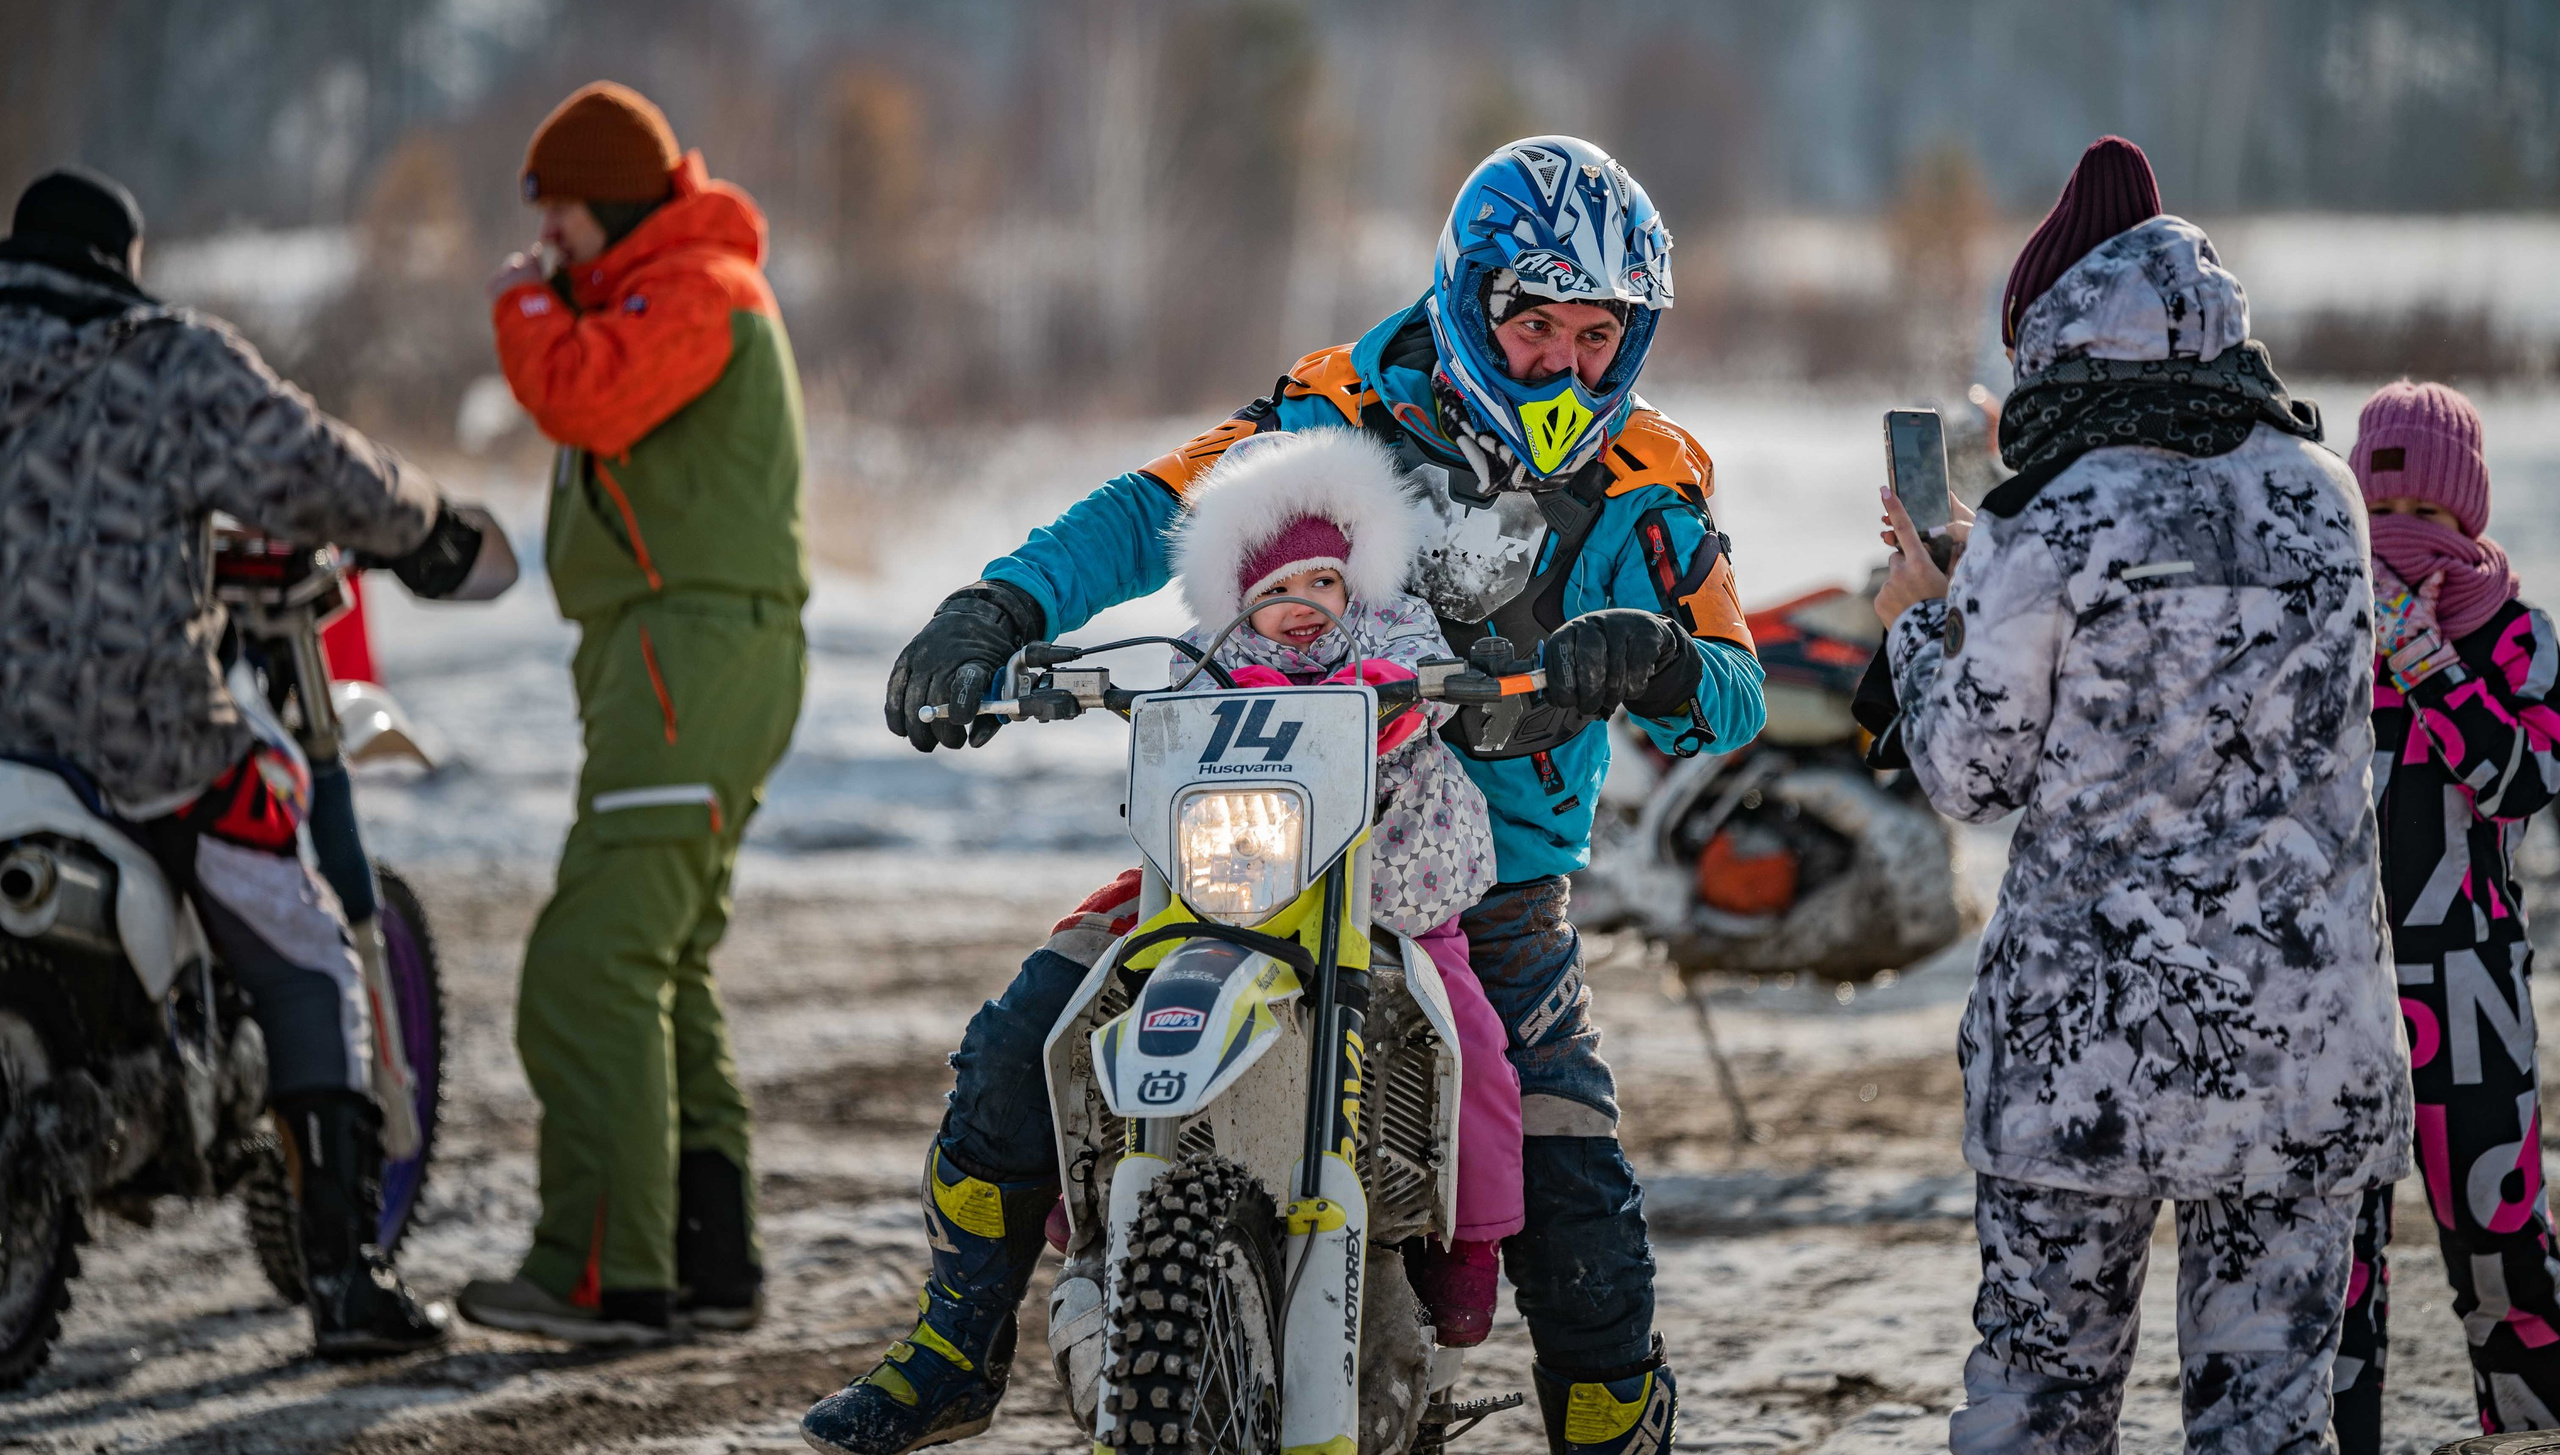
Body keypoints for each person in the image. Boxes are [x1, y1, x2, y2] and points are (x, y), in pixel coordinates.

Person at [801, 136, 1765, 1455]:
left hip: (1486, 879)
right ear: (1474, 299)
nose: (1566, 361)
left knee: (1571, 1175)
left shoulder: (1654, 477)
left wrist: (1652, 655)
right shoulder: (1338, 403)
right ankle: (955, 1342)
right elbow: (1159, 505)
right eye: (1537, 323)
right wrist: (996, 607)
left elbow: (1736, 689)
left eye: (1599, 333)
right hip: (1258, 825)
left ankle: (1609, 1420)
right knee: (1028, 1036)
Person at [1876, 135, 2412, 1454]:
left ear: (2052, 339)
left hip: (2085, 1059)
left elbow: (1969, 767)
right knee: (2270, 1424)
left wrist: (1921, 622)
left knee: (2044, 1408)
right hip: (2300, 1039)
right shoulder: (2323, 493)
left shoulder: (2048, 516)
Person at [0, 166, 481, 1356]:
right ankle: (341, 1276)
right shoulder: (164, 357)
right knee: (304, 939)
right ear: (124, 259)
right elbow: (319, 470)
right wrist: (428, 522)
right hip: (133, 729)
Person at [456, 83, 809, 1343]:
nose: (544, 237)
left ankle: (602, 1272)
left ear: (605, 197)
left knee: (590, 961)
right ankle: (710, 1263)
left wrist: (521, 302)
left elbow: (582, 395)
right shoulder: (677, 287)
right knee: (664, 960)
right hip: (677, 655)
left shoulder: (698, 287)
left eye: (555, 210)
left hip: (690, 655)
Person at [1166, 425, 1523, 1337]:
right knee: (1118, 992)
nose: (1303, 605)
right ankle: (1105, 1207)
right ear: (1237, 595)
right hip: (1247, 895)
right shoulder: (1211, 655)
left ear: (1353, 578)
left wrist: (1399, 687)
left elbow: (1431, 675)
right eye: (1274, 589)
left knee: (1472, 1044)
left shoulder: (1389, 625)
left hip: (1396, 888)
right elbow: (1177, 710)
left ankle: (1469, 1245)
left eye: (1322, 580)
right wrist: (1220, 697)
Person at [2329, 382, 2560, 1448]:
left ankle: (2530, 1430)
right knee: (2336, 1261)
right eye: (2378, 518)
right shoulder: (2322, 621)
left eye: (2423, 515)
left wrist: (2426, 665)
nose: (2399, 540)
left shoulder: (2516, 632)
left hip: (2468, 987)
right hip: (2336, 989)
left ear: (2467, 512)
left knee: (2501, 1252)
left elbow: (2521, 776)